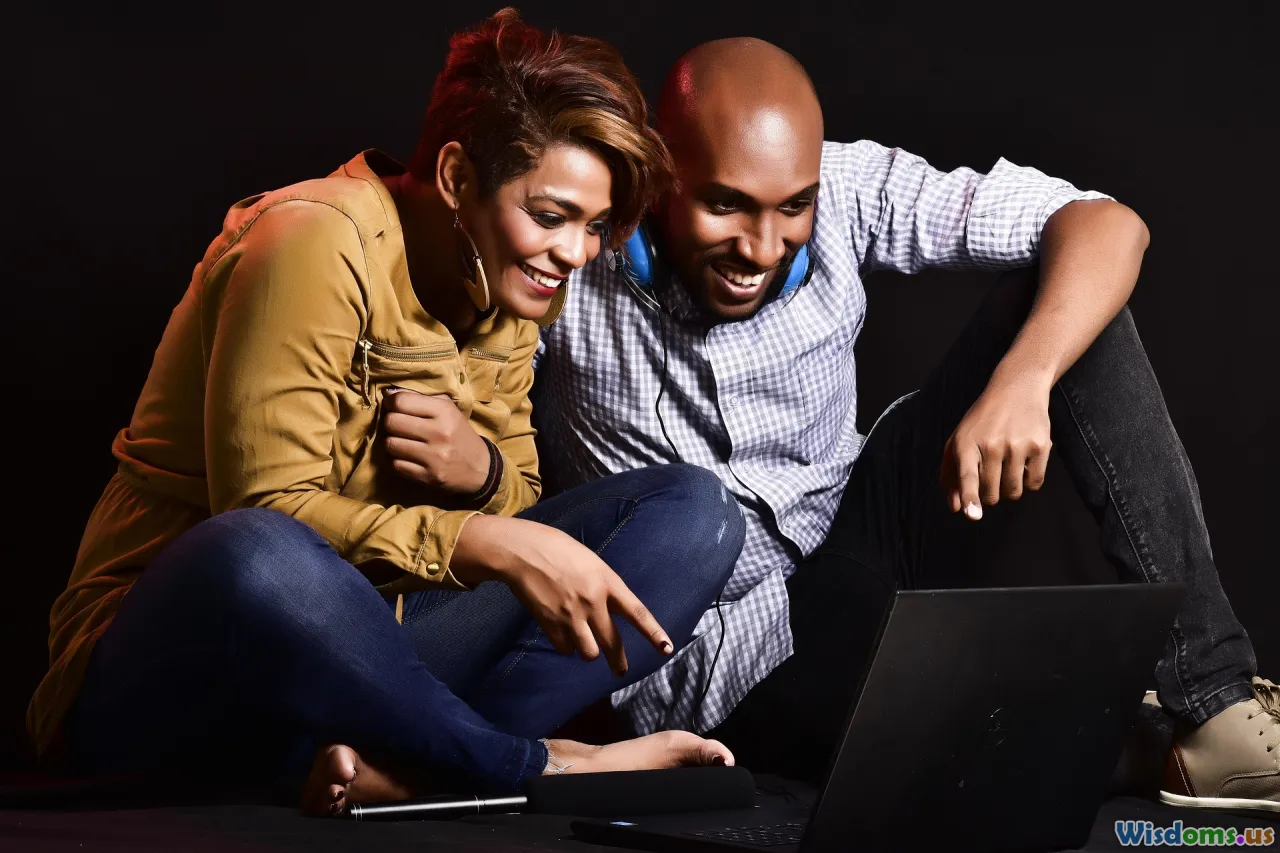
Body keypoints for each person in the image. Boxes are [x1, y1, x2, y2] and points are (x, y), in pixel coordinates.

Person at [529, 38, 1277, 813]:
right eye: (725, 205)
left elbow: (1106, 225)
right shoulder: (576, 247)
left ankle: (1216, 704)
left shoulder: (850, 187)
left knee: (1064, 304)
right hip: (725, 659)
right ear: (658, 173)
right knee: (983, 744)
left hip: (861, 538)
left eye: (792, 208)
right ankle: (1131, 739)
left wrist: (1026, 377)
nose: (760, 247)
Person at [28, 10, 745, 816]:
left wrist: (481, 480)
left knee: (696, 514)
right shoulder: (311, 242)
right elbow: (265, 518)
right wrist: (476, 536)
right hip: (175, 666)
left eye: (592, 225)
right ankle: (527, 765)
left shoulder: (516, 285)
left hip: (378, 664)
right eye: (550, 216)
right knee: (255, 549)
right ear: (455, 178)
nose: (576, 254)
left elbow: (519, 516)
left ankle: (408, 768)